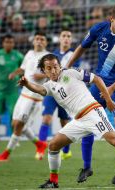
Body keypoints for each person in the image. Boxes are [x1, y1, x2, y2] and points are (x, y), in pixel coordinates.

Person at [18, 53, 115, 188]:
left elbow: (97, 79)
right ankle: (53, 181)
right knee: (54, 145)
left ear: (60, 66)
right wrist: (27, 84)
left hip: (93, 112)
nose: (54, 70)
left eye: (55, 66)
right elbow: (39, 89)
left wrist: (108, 98)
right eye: (49, 68)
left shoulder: (71, 73)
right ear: (44, 71)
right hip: (78, 121)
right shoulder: (49, 86)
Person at [67, 4, 115, 184]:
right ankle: (87, 167)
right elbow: (82, 47)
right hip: (98, 82)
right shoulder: (99, 29)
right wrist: (67, 66)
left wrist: (113, 88)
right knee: (87, 121)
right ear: (111, 20)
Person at [0, 32, 50, 162]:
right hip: (23, 95)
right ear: (33, 41)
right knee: (15, 123)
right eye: (37, 39)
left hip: (34, 98)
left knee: (18, 126)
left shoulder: (48, 57)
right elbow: (23, 68)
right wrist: (14, 73)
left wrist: (41, 75)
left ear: (46, 43)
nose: (39, 41)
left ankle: (5, 155)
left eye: (42, 39)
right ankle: (40, 144)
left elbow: (54, 73)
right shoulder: (29, 54)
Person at [37, 28, 81, 160]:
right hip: (52, 92)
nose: (66, 38)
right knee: (46, 118)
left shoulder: (74, 55)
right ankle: (40, 150)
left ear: (71, 40)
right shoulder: (52, 55)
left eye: (69, 36)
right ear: (60, 38)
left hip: (66, 94)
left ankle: (66, 151)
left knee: (65, 122)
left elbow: (70, 74)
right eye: (64, 36)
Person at [0, 34, 24, 147]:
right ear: (3, 43)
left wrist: (21, 79)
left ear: (14, 43)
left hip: (13, 91)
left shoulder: (18, 56)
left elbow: (24, 69)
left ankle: (14, 138)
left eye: (11, 42)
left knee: (13, 114)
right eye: (7, 42)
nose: (9, 44)